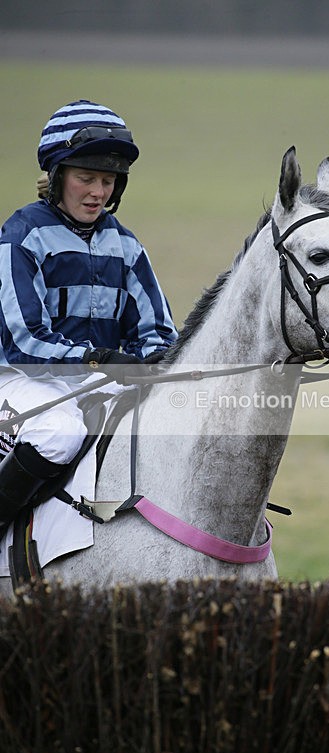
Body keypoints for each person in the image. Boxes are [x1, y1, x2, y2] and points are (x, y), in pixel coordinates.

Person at [0, 99, 178, 532]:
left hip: (93, 377)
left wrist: (154, 365)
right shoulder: (21, 235)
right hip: (20, 378)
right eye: (86, 178)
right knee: (58, 434)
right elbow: (24, 342)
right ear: (58, 176)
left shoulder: (126, 246)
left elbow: (157, 332)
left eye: (109, 180)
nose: (99, 192)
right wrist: (101, 360)